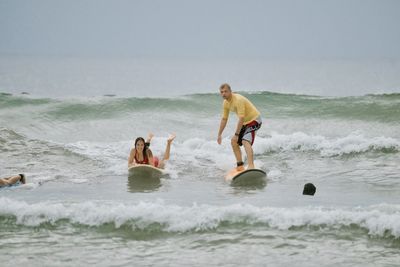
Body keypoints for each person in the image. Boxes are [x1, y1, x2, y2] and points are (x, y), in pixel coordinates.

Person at [217, 83, 262, 171]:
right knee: (234, 141)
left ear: (230, 91)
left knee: (245, 141)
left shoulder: (238, 99)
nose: (223, 94)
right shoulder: (226, 103)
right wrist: (219, 134)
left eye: (225, 91)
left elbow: (241, 117)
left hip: (255, 120)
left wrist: (237, 134)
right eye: (221, 92)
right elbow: (224, 119)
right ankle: (240, 166)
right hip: (245, 122)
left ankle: (251, 166)